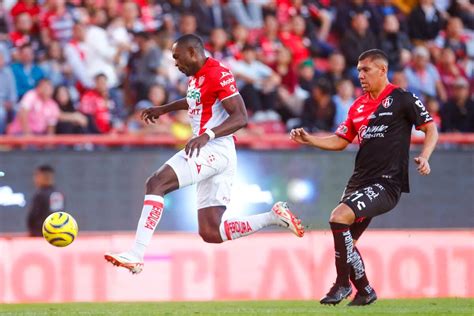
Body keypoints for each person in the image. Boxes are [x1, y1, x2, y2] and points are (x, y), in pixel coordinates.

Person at [105, 34, 304, 274]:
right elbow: (195, 101)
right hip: (215, 151)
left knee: (156, 183)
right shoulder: (196, 77)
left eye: (177, 58)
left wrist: (206, 135)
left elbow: (240, 116)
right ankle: (273, 217)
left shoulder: (217, 73)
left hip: (213, 148)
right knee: (211, 232)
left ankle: (136, 253)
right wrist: (164, 108)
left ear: (192, 52)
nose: (175, 63)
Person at [290, 49, 438, 306]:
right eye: (358, 70)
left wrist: (425, 156)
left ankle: (341, 284)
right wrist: (310, 140)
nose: (360, 75)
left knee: (338, 217)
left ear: (382, 70)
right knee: (348, 241)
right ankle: (366, 290)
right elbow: (340, 140)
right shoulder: (357, 105)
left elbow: (430, 128)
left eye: (365, 70)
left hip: (387, 182)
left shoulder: (403, 99)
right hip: (359, 181)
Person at [27, 165, 65, 237]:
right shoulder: (59, 194)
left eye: (37, 176)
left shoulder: (40, 195)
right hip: (57, 236)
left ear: (43, 176)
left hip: (40, 237)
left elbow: (33, 217)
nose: (35, 179)